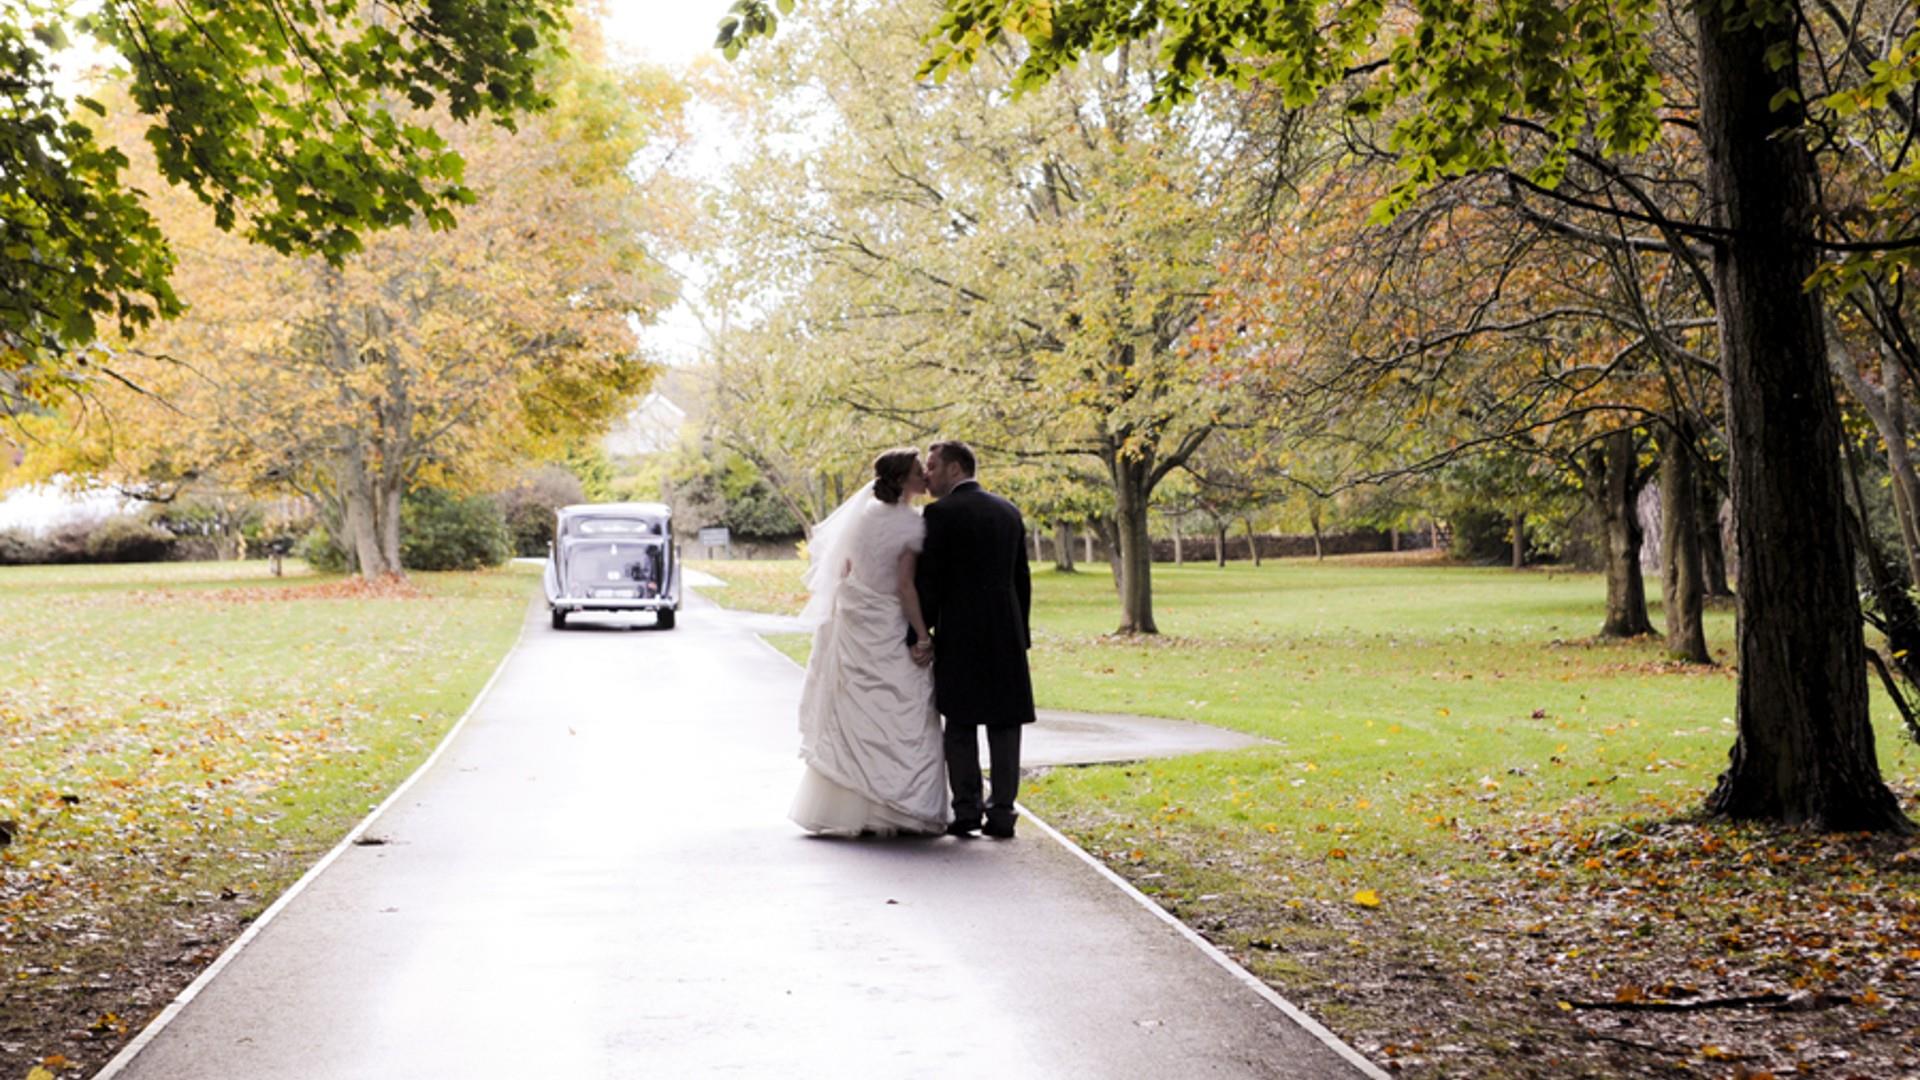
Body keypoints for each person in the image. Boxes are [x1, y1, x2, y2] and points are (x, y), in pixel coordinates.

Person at [789, 448, 951, 837]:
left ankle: (853, 804)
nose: (925, 477)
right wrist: (922, 635)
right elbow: (905, 587)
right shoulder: (910, 525)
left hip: (858, 620)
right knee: (903, 709)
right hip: (889, 622)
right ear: (902, 479)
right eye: (918, 471)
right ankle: (896, 807)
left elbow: (843, 570)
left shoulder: (859, 519)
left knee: (854, 709)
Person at [916, 440, 1035, 839]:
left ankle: (966, 809)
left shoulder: (940, 514)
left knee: (960, 722)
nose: (927, 474)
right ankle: (1002, 813)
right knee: (1005, 725)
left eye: (932, 466)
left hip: (961, 629)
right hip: (1006, 630)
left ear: (955, 468)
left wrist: (919, 632)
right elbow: (1021, 579)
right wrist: (1022, 633)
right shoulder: (1008, 511)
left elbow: (930, 581)